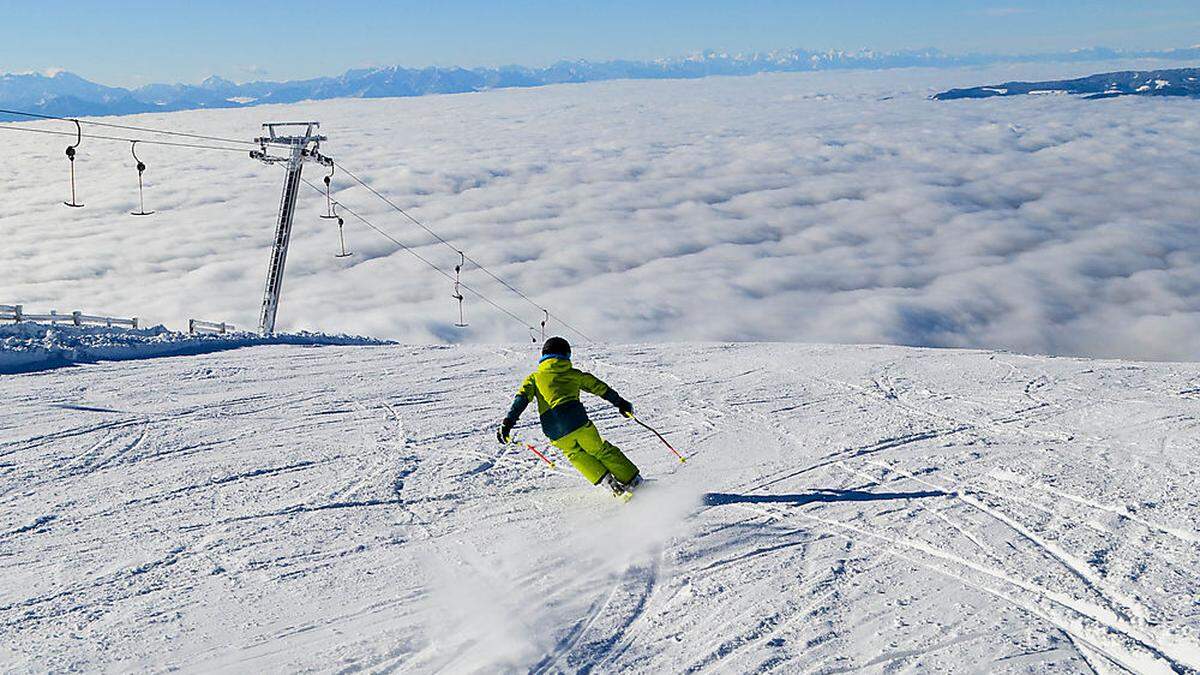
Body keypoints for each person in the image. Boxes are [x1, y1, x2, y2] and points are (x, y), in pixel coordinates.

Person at [498, 336, 641, 496]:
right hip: (577, 421)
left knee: (574, 454)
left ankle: (608, 482)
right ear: (567, 355)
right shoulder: (573, 374)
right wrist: (620, 403)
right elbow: (599, 388)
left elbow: (521, 400)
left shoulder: (535, 378)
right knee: (600, 450)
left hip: (553, 430)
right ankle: (633, 480)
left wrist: (508, 423)